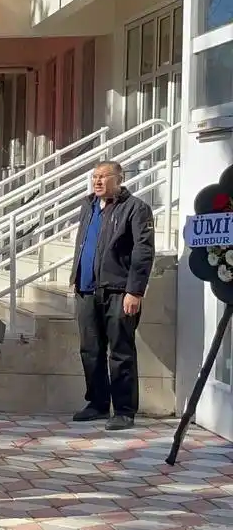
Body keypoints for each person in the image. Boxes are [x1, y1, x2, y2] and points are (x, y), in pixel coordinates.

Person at [71, 160, 155, 431]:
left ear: (118, 179)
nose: (97, 181)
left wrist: (135, 290)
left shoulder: (136, 209)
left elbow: (143, 252)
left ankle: (124, 410)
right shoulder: (88, 206)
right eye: (94, 176)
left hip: (119, 291)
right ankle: (96, 403)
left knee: (121, 352)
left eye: (103, 177)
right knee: (90, 350)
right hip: (86, 290)